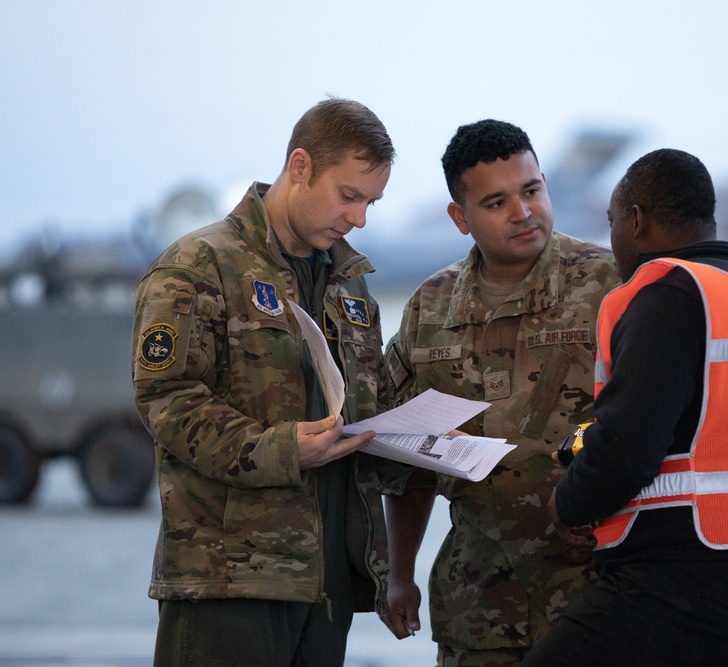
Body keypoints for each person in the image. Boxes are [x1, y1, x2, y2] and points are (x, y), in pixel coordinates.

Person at [521, 148, 728, 667]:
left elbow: (626, 446)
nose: (612, 238)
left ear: (636, 221)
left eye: (613, 221)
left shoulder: (672, 291)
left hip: (685, 585)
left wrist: (570, 501)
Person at [132, 97, 405, 666]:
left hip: (326, 580)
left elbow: (367, 404)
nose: (359, 218)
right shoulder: (199, 265)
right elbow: (167, 400)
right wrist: (280, 449)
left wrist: (419, 436)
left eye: (370, 202)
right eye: (348, 195)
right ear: (300, 166)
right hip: (229, 579)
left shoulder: (350, 285)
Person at [381, 119, 620, 666]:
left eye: (532, 190)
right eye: (496, 203)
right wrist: (399, 575)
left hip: (596, 598)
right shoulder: (429, 310)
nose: (523, 212)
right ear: (460, 218)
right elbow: (406, 459)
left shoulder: (609, 285)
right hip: (479, 605)